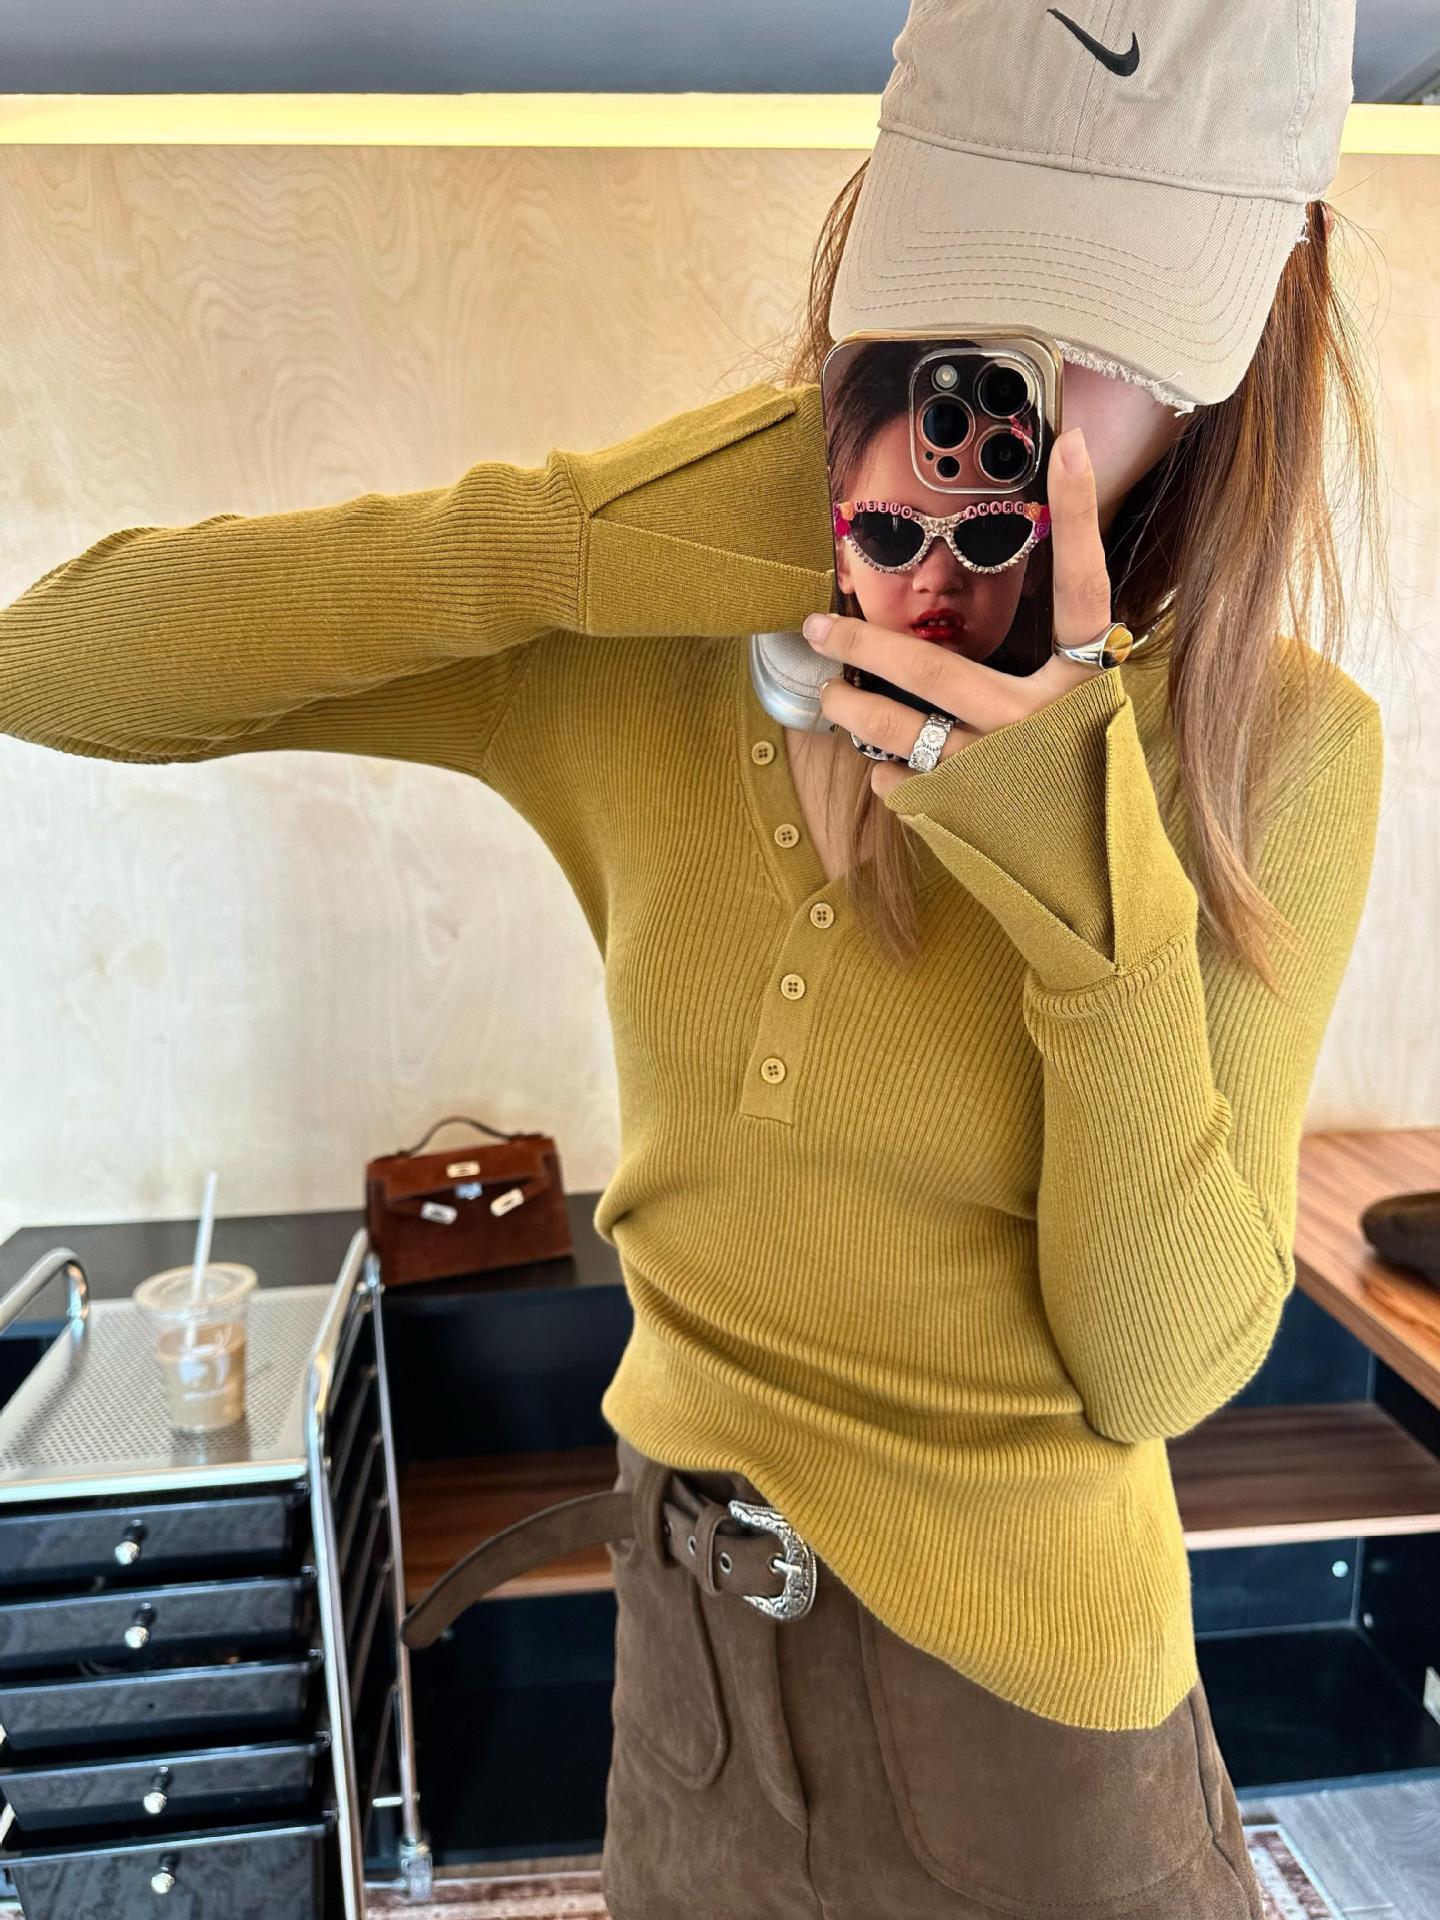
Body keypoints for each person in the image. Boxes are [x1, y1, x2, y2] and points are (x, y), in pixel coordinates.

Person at [0, 1, 1389, 1915]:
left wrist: (1091, 898)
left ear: (1251, 331)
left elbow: (1160, 1369)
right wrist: (577, 534)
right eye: (974, 289)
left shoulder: (1270, 744)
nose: (1020, 398)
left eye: (1113, 331)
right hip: (688, 1667)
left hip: (1038, 1734)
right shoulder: (639, 638)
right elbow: (60, 662)